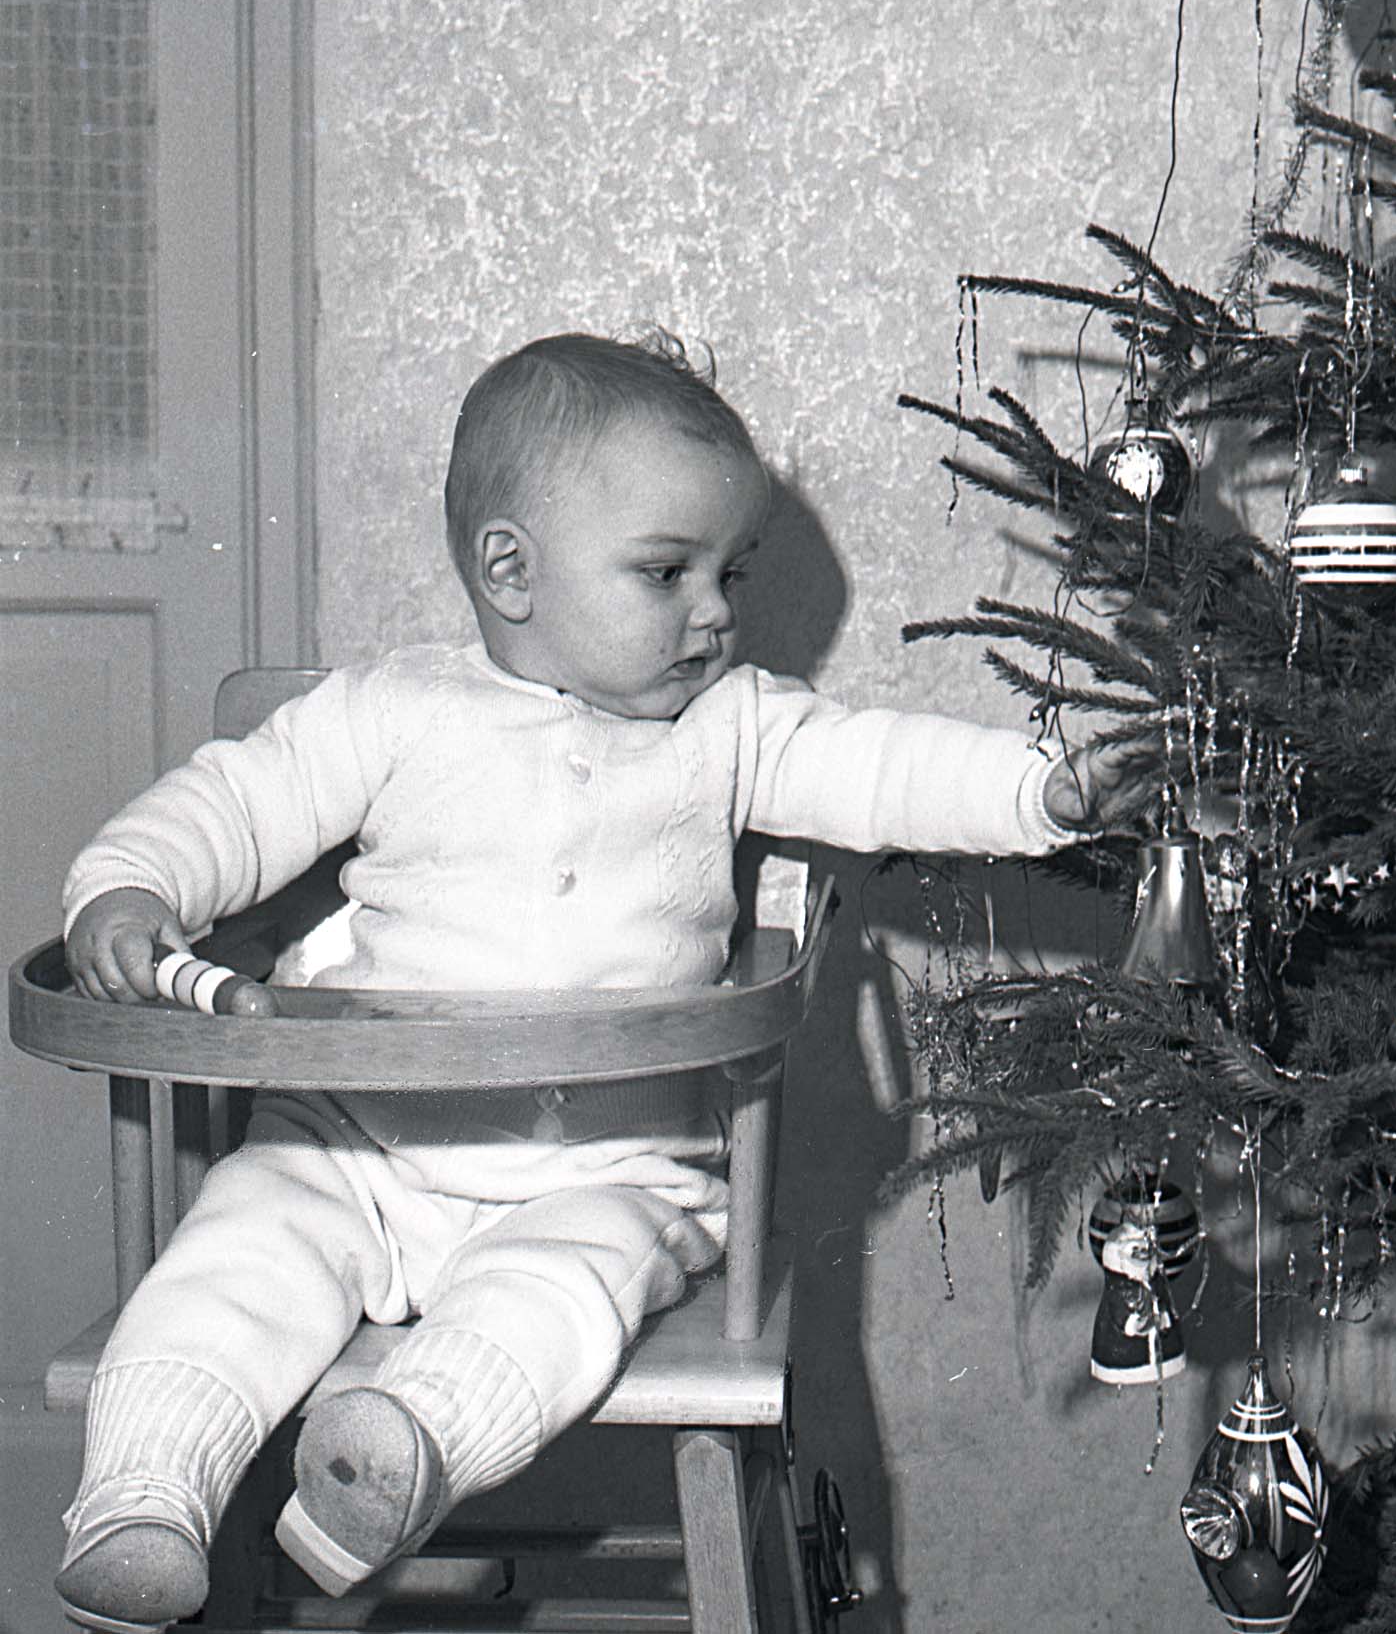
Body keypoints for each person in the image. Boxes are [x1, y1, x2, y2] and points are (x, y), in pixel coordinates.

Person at [54, 331, 1152, 1633]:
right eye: (666, 571)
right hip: (358, 1145)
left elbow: (883, 767)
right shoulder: (390, 709)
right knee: (238, 1249)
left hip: (606, 1166)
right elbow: (233, 802)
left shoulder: (733, 727)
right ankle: (144, 1495)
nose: (716, 611)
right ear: (510, 570)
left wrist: (1041, 792)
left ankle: (402, 1447)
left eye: (730, 572)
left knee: (564, 1294)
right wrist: (130, 888)